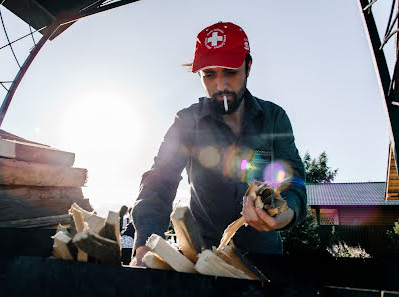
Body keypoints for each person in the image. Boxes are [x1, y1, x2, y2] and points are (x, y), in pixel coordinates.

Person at [131, 22, 307, 266]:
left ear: (249, 66)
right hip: (205, 259)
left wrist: (285, 214)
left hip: (265, 261)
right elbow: (158, 183)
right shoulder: (187, 122)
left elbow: (294, 179)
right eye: (209, 74)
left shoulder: (274, 118)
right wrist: (144, 248)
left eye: (230, 72)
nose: (220, 85)